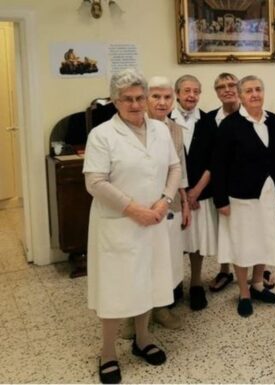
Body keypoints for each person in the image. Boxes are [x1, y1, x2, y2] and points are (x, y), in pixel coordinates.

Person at [84, 69, 181, 384]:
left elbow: (174, 167)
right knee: (116, 290)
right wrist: (134, 208)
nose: (136, 104)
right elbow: (95, 182)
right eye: (128, 99)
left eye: (140, 98)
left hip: (153, 219)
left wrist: (165, 200)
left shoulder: (160, 130)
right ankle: (108, 352)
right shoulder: (102, 135)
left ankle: (143, 339)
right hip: (119, 223)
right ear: (116, 101)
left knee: (148, 283)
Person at [212, 75, 275, 317]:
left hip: (267, 192)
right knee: (242, 244)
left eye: (258, 89)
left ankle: (257, 284)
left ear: (263, 93)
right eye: (248, 91)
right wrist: (220, 199)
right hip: (239, 195)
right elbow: (219, 164)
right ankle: (244, 292)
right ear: (240, 96)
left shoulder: (274, 121)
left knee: (264, 239)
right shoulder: (230, 125)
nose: (254, 94)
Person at [146, 76, 191, 330]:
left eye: (166, 97)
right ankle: (135, 316)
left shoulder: (176, 130)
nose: (162, 102)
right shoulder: (136, 126)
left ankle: (161, 309)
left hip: (171, 205)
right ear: (146, 99)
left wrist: (184, 203)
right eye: (156, 96)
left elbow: (180, 170)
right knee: (143, 260)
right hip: (143, 206)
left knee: (168, 259)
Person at [170, 75, 214, 311]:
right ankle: (175, 283)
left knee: (195, 241)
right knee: (175, 241)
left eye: (196, 91)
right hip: (173, 194)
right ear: (177, 93)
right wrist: (182, 194)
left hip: (200, 192)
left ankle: (196, 283)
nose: (191, 95)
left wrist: (195, 191)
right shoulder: (164, 121)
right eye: (187, 90)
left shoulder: (208, 121)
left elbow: (213, 161)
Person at [206, 72, 240, 293]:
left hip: (247, 182)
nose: (227, 89)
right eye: (221, 87)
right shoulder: (208, 120)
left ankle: (259, 269)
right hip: (221, 182)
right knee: (224, 228)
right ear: (216, 93)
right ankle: (225, 269)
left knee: (253, 227)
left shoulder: (252, 114)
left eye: (231, 85)